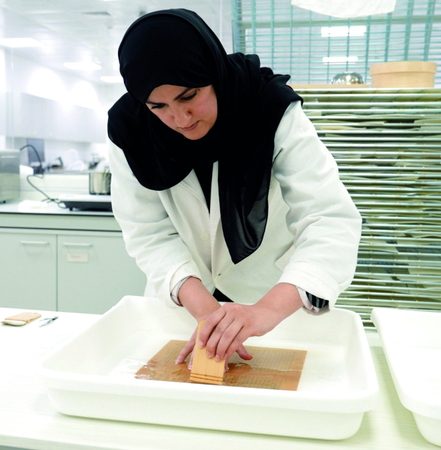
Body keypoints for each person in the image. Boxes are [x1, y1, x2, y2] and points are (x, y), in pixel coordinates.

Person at [107, 9, 361, 368]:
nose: (179, 118)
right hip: (184, 299)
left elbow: (329, 219)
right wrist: (206, 313)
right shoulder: (130, 130)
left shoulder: (268, 107)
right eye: (158, 106)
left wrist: (266, 311)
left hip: (272, 300)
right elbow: (148, 232)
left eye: (188, 95)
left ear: (211, 72)